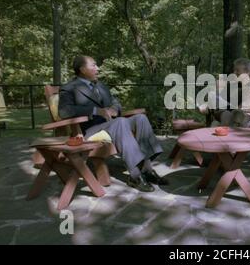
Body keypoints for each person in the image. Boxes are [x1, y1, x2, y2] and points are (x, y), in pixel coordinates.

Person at [58, 55, 168, 192]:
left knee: (140, 118)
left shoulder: (100, 85)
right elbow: (64, 111)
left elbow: (115, 102)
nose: (98, 68)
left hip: (112, 124)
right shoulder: (69, 88)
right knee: (121, 122)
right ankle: (135, 176)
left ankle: (147, 170)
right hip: (89, 129)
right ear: (82, 69)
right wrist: (95, 110)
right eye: (93, 65)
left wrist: (115, 109)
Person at [199, 58, 250, 130]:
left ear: (247, 72)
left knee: (221, 120)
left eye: (237, 70)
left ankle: (235, 116)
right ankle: (234, 115)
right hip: (230, 114)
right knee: (213, 96)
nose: (234, 73)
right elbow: (218, 100)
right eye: (234, 70)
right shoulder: (230, 86)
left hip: (246, 119)